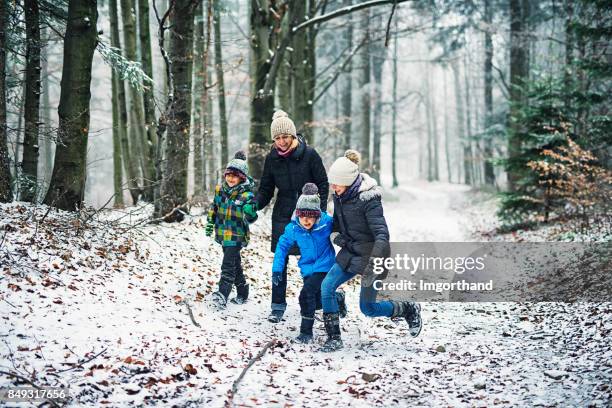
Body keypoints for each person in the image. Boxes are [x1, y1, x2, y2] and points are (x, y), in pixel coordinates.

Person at [320, 150, 423, 352]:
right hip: (350, 252)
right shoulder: (340, 196)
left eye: (336, 183)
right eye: (332, 183)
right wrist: (335, 236)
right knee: (327, 286)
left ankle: (407, 308)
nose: (333, 187)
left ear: (348, 181)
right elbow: (337, 226)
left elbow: (382, 235)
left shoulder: (370, 200)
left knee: (368, 308)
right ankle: (334, 338)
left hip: (372, 256)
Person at [255, 110, 329, 323]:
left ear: (293, 136)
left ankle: (319, 302)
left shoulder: (310, 155)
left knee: (313, 260)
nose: (281, 142)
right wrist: (254, 205)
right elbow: (266, 189)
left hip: (309, 215)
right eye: (277, 138)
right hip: (283, 215)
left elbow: (323, 184)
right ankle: (277, 305)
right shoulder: (272, 159)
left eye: (285, 137)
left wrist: (319, 212)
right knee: (281, 259)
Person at [272, 183, 346, 343]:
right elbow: (282, 246)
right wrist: (277, 269)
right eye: (302, 216)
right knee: (318, 302)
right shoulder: (293, 228)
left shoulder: (326, 223)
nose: (306, 220)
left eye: (310, 216)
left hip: (325, 266)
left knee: (305, 296)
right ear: (297, 214)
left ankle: (306, 333)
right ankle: (337, 297)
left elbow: (342, 226)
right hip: (307, 269)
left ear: (317, 215)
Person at [206, 151, 259, 309]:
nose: (230, 178)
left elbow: (251, 217)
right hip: (222, 233)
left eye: (234, 176)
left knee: (227, 265)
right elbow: (214, 208)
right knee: (235, 263)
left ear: (241, 178)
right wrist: (210, 223)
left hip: (236, 235)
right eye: (228, 175)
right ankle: (243, 291)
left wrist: (250, 212)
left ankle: (223, 294)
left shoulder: (246, 195)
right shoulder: (220, 190)